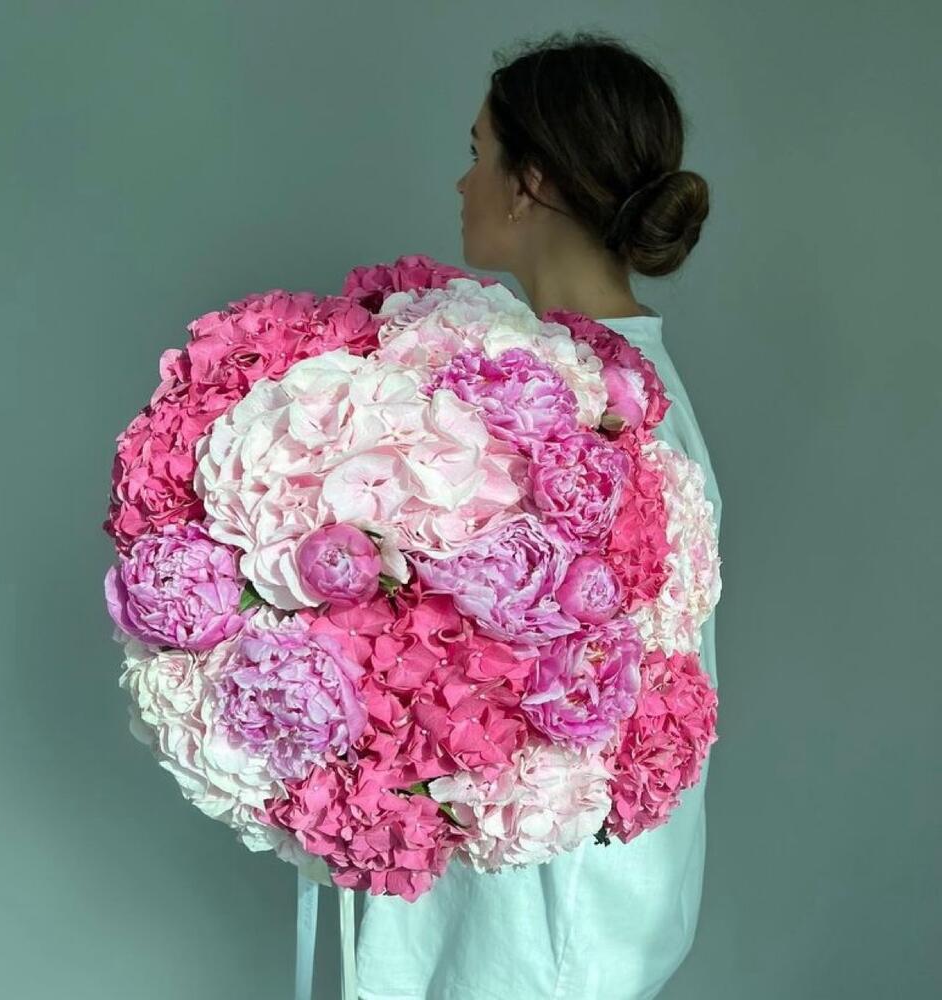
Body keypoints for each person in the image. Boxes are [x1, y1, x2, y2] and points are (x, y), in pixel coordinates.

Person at [351, 29, 723, 1000]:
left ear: (532, 182)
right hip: (536, 904)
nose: (461, 182)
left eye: (478, 153)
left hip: (545, 920)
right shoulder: (590, 377)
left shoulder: (600, 408)